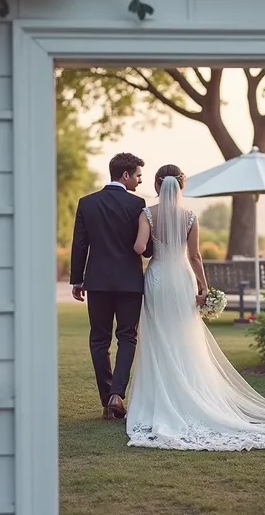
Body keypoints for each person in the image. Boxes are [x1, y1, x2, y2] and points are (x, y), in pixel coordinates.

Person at [124, 164, 265, 450]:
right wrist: (204, 287)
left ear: (157, 186)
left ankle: (160, 399)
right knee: (184, 336)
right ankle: (190, 394)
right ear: (181, 186)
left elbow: (138, 247)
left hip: (158, 278)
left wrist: (153, 248)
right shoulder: (190, 216)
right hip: (182, 280)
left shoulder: (147, 213)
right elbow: (195, 256)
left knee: (157, 335)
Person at [69, 152, 152, 420]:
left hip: (98, 282)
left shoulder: (87, 203)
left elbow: (80, 243)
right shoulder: (137, 204)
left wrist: (76, 279)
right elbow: (146, 248)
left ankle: (107, 400)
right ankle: (118, 395)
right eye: (138, 175)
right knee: (127, 337)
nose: (140, 181)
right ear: (125, 175)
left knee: (99, 340)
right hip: (130, 283)